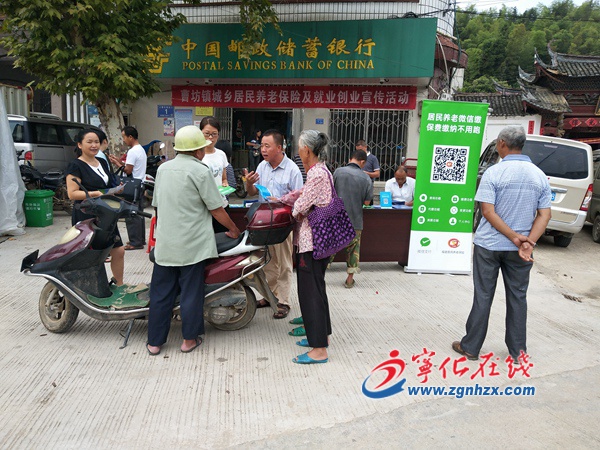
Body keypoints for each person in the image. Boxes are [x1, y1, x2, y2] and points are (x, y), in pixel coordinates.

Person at [452, 126, 552, 364]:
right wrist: (528, 242)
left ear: (503, 144)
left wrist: (513, 236)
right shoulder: (539, 175)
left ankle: (471, 347)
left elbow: (488, 211)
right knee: (518, 297)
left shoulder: (494, 172)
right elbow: (544, 215)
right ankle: (518, 352)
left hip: (489, 246)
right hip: (520, 251)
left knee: (483, 295)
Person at [146, 125, 241, 356]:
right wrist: (233, 229)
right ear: (198, 151)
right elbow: (216, 208)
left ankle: (154, 343)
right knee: (191, 293)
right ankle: (188, 340)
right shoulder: (200, 171)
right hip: (192, 245)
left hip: (166, 244)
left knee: (160, 294)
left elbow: (157, 205)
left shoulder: (163, 169)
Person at [244, 129, 303, 319]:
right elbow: (253, 193)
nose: (263, 149)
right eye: (262, 145)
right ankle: (270, 296)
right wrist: (248, 184)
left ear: (279, 148)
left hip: (283, 225)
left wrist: (282, 201)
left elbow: (300, 200)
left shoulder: (292, 170)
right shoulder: (262, 166)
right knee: (268, 262)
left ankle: (283, 301)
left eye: (267, 146)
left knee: (284, 263)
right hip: (265, 224)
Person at [290, 130, 333, 364]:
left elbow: (300, 208)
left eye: (299, 148)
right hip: (319, 241)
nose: (298, 151)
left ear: (306, 150)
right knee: (317, 289)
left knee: (310, 294)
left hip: (312, 242)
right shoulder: (322, 171)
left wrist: (295, 207)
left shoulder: (316, 174)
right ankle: (320, 336)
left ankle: (319, 350)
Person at [66, 129, 125, 285]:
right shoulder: (75, 165)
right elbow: (72, 193)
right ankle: (92, 287)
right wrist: (94, 193)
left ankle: (119, 285)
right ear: (80, 145)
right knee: (92, 255)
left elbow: (107, 185)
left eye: (96, 142)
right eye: (89, 142)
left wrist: (116, 189)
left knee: (118, 250)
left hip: (106, 214)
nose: (94, 145)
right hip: (86, 214)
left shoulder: (102, 162)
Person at [332, 149, 373, 289]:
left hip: (336, 219)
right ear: (362, 162)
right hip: (355, 220)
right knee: (353, 250)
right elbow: (366, 202)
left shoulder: (338, 172)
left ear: (351, 159)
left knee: (330, 248)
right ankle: (349, 280)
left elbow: (330, 192)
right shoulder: (366, 178)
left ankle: (320, 276)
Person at [109, 126, 147, 251]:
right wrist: (119, 161)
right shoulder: (140, 149)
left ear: (130, 137)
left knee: (131, 213)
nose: (124, 140)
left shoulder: (132, 151)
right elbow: (131, 167)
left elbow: (128, 170)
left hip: (132, 186)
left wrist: (117, 164)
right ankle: (140, 239)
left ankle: (135, 242)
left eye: (124, 137)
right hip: (140, 184)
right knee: (138, 212)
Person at [199, 117, 230, 233]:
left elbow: (224, 178)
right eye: (207, 134)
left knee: (222, 238)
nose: (211, 138)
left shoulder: (221, 154)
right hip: (204, 208)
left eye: (214, 134)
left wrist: (225, 184)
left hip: (222, 205)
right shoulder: (197, 155)